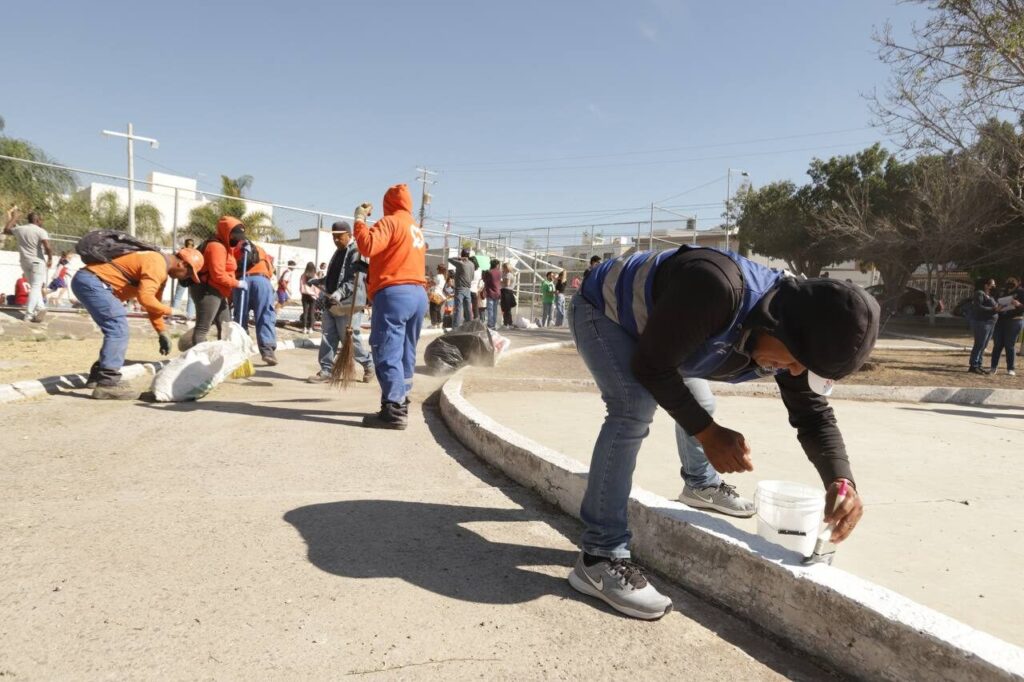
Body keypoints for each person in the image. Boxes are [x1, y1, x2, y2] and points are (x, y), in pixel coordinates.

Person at [568, 245, 878, 620]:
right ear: (781, 323)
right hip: (607, 310)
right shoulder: (715, 287)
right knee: (632, 409)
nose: (794, 373)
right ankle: (600, 556)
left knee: (701, 406)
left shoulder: (797, 344)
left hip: (671, 329)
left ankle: (700, 484)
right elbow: (651, 367)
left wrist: (841, 480)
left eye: (804, 369)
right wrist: (708, 434)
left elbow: (813, 416)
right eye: (796, 361)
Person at [72, 246, 204, 400]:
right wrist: (173, 311)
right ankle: (107, 384)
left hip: (92, 282)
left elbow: (153, 305)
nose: (185, 278)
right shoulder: (157, 264)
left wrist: (162, 332)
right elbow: (145, 298)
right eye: (189, 273)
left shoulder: (161, 270)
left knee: (116, 327)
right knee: (118, 328)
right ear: (182, 264)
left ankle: (98, 376)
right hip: (93, 281)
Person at [353, 185, 427, 429]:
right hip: (418, 295)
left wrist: (360, 219)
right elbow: (395, 257)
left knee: (385, 349)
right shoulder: (415, 228)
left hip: (394, 294)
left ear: (388, 203)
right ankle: (401, 400)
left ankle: (393, 411)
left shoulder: (390, 222)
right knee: (406, 350)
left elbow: (367, 246)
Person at [306, 222, 374, 384]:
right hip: (332, 302)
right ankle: (326, 370)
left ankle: (368, 364)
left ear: (349, 235)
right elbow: (334, 277)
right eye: (333, 236)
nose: (336, 240)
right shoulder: (338, 253)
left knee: (349, 339)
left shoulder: (357, 252)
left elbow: (354, 280)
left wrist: (339, 293)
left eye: (339, 236)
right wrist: (319, 281)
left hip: (348, 304)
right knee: (328, 336)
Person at [192, 217, 249, 352]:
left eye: (240, 237)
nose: (237, 239)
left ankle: (223, 358)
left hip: (219, 291)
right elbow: (218, 275)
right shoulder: (216, 247)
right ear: (226, 232)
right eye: (235, 235)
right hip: (208, 290)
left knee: (226, 328)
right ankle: (197, 362)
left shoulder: (226, 246)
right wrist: (237, 283)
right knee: (202, 328)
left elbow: (228, 264)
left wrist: (242, 249)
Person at [232, 231, 278, 362]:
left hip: (241, 282)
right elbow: (270, 269)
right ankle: (267, 351)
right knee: (265, 314)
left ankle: (241, 350)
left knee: (240, 316)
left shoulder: (233, 250)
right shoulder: (259, 249)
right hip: (262, 281)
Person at [4, 207, 53, 322]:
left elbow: (6, 230)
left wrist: (14, 218)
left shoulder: (20, 229)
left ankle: (40, 308)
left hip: (24, 261)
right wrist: (50, 258)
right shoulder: (41, 231)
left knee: (35, 287)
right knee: (36, 287)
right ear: (37, 220)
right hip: (37, 262)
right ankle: (29, 315)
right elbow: (48, 247)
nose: (42, 222)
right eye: (41, 220)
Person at [990, 276, 1024, 376]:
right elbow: (995, 302)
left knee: (1009, 345)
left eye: (1013, 281)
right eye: (1008, 281)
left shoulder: (1021, 293)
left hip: (1014, 321)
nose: (1010, 283)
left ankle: (1010, 368)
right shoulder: (1002, 292)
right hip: (1000, 321)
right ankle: (993, 367)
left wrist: (1019, 305)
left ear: (1018, 282)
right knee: (997, 345)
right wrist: (997, 307)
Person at [967, 277, 999, 375]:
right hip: (982, 322)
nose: (994, 286)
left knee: (984, 345)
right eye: (992, 284)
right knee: (979, 344)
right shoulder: (980, 293)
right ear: (986, 285)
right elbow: (978, 307)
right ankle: (973, 365)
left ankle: (979, 364)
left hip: (990, 323)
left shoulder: (990, 295)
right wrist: (993, 309)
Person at [448, 249, 476, 328]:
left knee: (458, 309)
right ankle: (470, 327)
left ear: (462, 254)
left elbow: (449, 259)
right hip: (468, 288)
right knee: (468, 309)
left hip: (460, 288)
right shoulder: (472, 264)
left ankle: (455, 327)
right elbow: (472, 277)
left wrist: (458, 258)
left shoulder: (461, 263)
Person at [171, 238, 197, 319]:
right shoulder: (195, 253)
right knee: (191, 298)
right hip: (191, 277)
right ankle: (189, 317)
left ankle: (174, 316)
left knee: (178, 297)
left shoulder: (181, 253)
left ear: (185, 245)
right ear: (193, 245)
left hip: (182, 276)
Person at [299, 262, 319, 334]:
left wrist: (302, 292)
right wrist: (316, 295)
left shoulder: (303, 275)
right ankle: (310, 328)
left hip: (304, 295)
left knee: (305, 312)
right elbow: (317, 288)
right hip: (313, 296)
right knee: (312, 312)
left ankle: (304, 328)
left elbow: (301, 286)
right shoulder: (315, 276)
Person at [482, 258, 501, 330]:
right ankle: (494, 323)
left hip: (490, 292)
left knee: (490, 309)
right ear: (497, 265)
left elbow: (485, 281)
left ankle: (490, 324)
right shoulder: (500, 272)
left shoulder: (489, 272)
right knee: (495, 309)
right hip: (497, 292)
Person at [500, 262, 518, 328]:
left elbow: (507, 283)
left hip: (506, 291)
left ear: (506, 268)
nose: (502, 269)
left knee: (506, 308)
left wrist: (500, 282)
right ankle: (508, 323)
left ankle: (507, 323)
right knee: (507, 309)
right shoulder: (509, 274)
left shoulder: (508, 275)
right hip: (508, 292)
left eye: (503, 267)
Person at [428, 264, 447, 328]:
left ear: (438, 269)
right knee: (438, 310)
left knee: (433, 310)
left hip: (436, 295)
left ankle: (434, 324)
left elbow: (432, 283)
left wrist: (430, 279)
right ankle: (439, 323)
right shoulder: (444, 277)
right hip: (442, 296)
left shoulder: (438, 276)